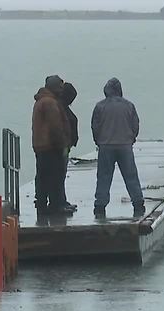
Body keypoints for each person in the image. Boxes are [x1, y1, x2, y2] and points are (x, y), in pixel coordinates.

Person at [91, 77, 145, 219]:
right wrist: (131, 138)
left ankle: (100, 205)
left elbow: (95, 126)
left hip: (106, 146)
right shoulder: (129, 105)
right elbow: (135, 124)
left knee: (103, 177)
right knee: (131, 176)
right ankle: (138, 202)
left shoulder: (100, 106)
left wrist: (98, 141)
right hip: (125, 145)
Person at [32, 75, 73, 217]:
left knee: (43, 177)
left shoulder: (41, 100)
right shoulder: (50, 103)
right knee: (55, 177)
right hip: (51, 146)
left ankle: (42, 205)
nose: (62, 90)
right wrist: (62, 144)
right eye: (60, 87)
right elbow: (55, 127)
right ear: (55, 87)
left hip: (41, 145)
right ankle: (55, 206)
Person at [58, 82, 79, 212]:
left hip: (64, 146)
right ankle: (59, 202)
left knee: (60, 174)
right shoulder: (60, 108)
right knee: (59, 174)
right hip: (62, 146)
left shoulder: (61, 107)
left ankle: (61, 201)